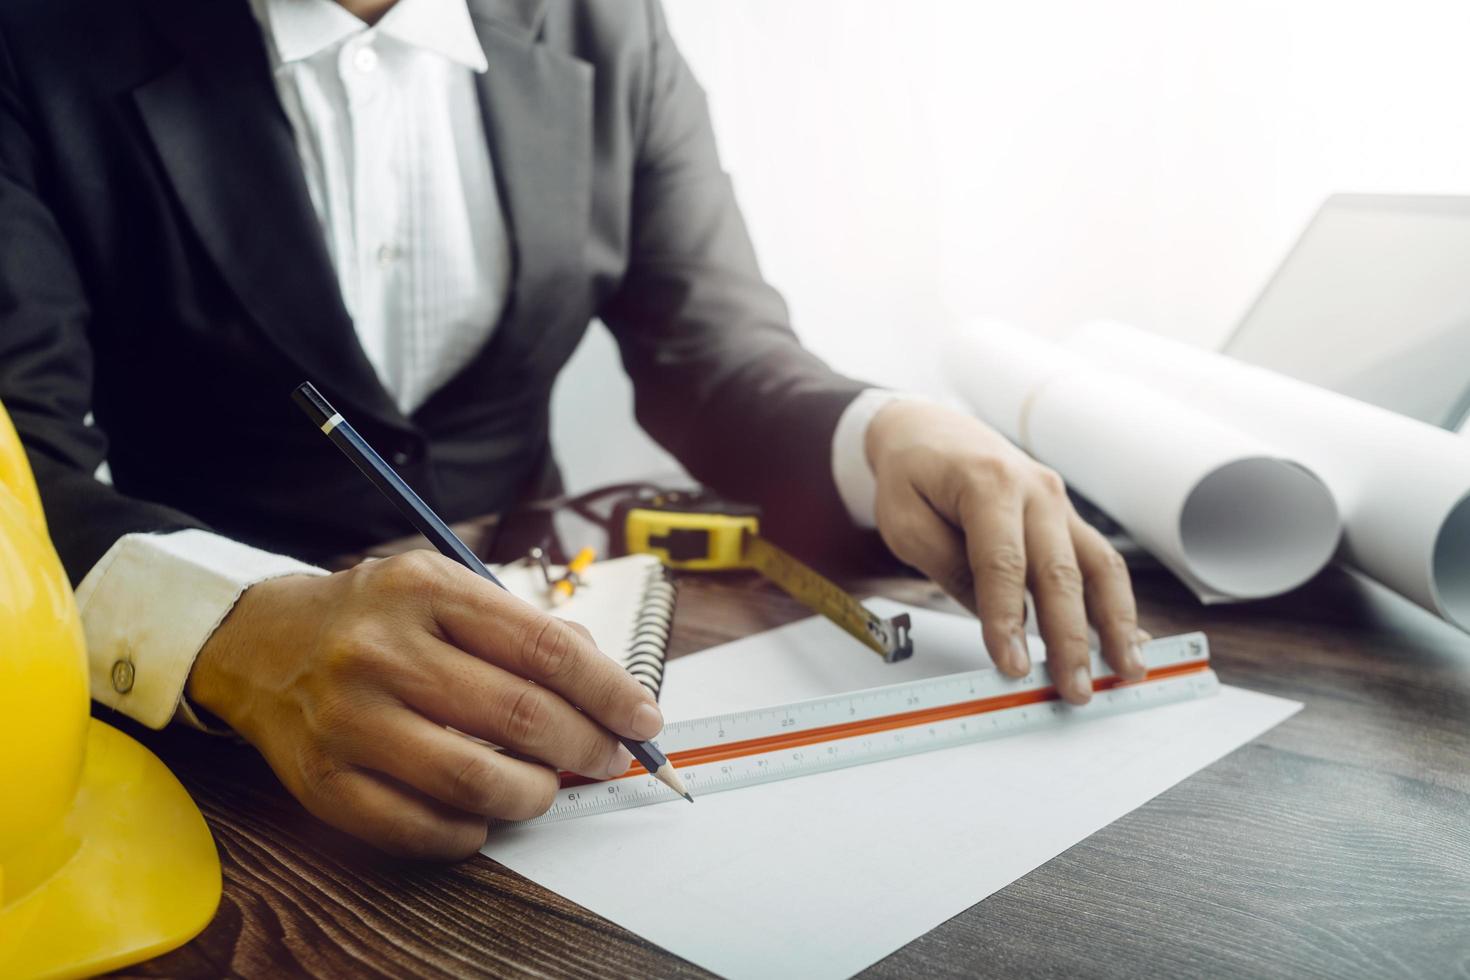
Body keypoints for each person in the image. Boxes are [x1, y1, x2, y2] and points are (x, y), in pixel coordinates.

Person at [0, 0, 1145, 859]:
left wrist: (887, 427)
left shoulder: (609, 22)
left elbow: (714, 348)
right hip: (211, 753)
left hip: (555, 610)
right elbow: (16, 464)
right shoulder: (32, 38)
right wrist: (235, 626)